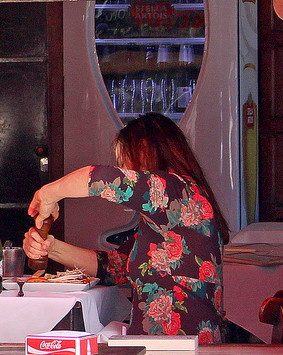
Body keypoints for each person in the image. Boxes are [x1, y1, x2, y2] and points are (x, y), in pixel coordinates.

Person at [24, 113, 229, 342]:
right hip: (166, 345)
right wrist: (50, 248)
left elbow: (100, 178)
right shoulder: (163, 217)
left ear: (143, 150)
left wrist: (48, 194)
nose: (121, 168)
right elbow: (113, 268)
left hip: (184, 349)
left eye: (123, 162)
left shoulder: (179, 191)